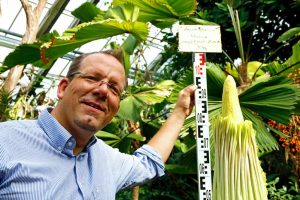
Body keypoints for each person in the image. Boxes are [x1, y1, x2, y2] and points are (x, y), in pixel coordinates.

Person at [0, 50, 196, 199]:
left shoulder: (108, 161)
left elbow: (148, 164)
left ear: (115, 109)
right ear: (63, 88)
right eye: (92, 78)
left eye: (113, 87)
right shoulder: (5, 142)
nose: (103, 90)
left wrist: (180, 112)